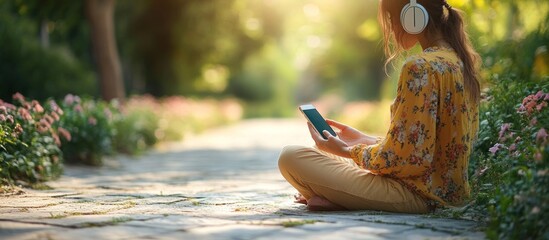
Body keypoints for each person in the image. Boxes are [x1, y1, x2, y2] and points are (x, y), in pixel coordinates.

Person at [278, 0, 481, 213]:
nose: (392, 30)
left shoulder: (420, 67)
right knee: (323, 155)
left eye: (393, 20)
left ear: (413, 18)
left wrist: (349, 151)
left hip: (418, 194)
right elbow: (424, 145)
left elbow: (407, 161)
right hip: (443, 190)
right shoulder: (459, 62)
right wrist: (364, 140)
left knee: (291, 157)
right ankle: (337, 198)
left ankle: (338, 198)